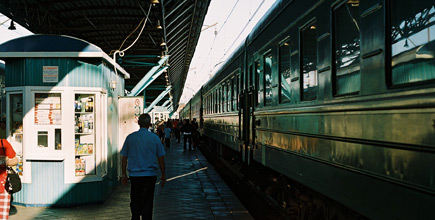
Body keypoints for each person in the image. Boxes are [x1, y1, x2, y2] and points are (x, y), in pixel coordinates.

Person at [121, 113, 166, 220]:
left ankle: (135, 217)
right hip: (149, 176)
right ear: (149, 124)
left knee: (135, 201)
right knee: (147, 203)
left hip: (135, 177)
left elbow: (124, 158)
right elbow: (161, 158)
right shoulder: (155, 138)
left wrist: (124, 175)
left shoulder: (130, 138)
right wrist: (163, 174)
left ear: (138, 123)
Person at [0, 139, 18, 220]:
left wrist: (6, 162)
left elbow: (15, 160)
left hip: (3, 186)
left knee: (3, 217)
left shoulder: (3, 143)